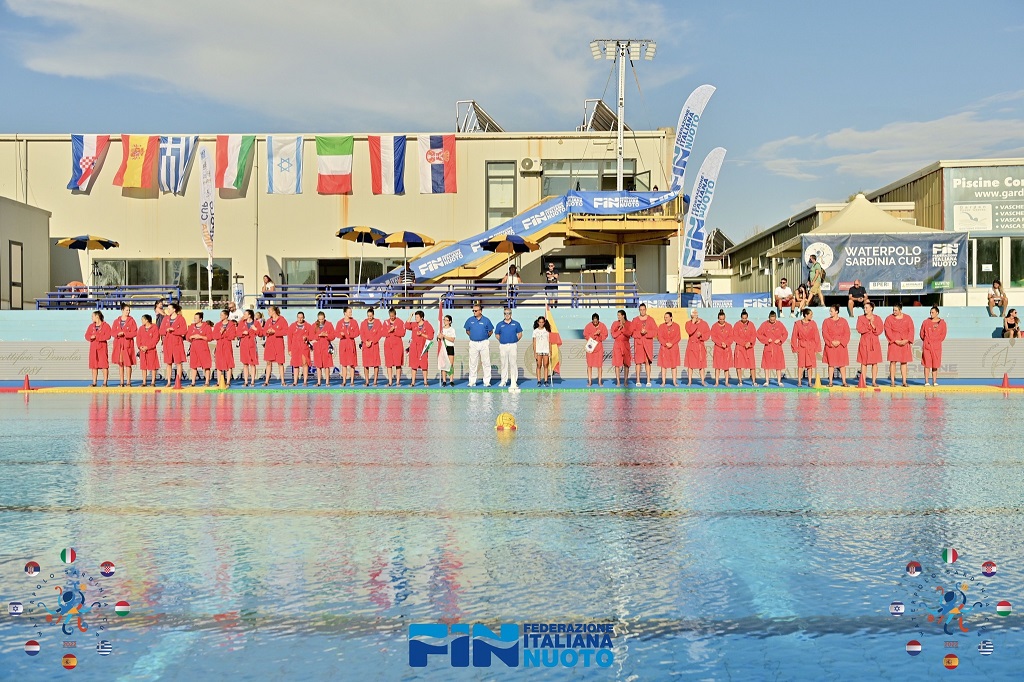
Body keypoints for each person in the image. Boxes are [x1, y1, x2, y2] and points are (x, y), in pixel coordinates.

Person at [884, 303, 915, 387]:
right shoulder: (889, 318)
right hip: (894, 343)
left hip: (905, 342)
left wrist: (907, 340)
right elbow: (887, 330)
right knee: (893, 361)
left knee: (904, 362)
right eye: (893, 310)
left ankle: (904, 381)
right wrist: (895, 340)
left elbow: (911, 329)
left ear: (900, 310)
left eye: (896, 310)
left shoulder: (908, 318)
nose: (894, 312)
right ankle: (892, 381)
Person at [791, 308, 822, 387]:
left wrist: (817, 348)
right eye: (810, 314)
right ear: (805, 315)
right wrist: (795, 348)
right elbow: (794, 336)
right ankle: (799, 381)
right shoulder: (797, 324)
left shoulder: (813, 323)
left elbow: (817, 335)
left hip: (811, 346)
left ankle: (809, 381)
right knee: (800, 364)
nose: (812, 316)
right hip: (801, 346)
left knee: (810, 365)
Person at [464, 305, 494, 387]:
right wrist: (474, 336)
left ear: (480, 311)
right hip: (473, 343)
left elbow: (491, 331)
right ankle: (472, 381)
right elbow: (467, 330)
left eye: (476, 311)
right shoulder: (470, 320)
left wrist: (484, 337)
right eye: (473, 311)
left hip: (484, 342)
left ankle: (487, 381)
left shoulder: (486, 320)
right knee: (472, 363)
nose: (474, 312)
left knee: (486, 362)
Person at [821, 305, 851, 387]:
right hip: (831, 345)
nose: (830, 312)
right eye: (830, 311)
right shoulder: (826, 321)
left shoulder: (843, 321)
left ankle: (844, 382)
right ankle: (830, 382)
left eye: (831, 311)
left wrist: (840, 341)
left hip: (841, 345)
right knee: (831, 364)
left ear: (836, 311)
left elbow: (847, 333)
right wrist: (831, 341)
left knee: (842, 364)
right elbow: (825, 333)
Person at [494, 307, 523, 390]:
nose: (507, 315)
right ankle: (503, 381)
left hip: (513, 345)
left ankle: (514, 381)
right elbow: (497, 334)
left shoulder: (516, 324)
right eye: (505, 313)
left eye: (508, 313)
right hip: (503, 345)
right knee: (504, 363)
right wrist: (502, 340)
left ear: (511, 314)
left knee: (513, 363)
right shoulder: (500, 324)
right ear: (503, 314)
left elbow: (520, 334)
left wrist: (514, 340)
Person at [856, 301, 884, 387]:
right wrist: (868, 325)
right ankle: (863, 381)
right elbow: (859, 329)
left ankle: (874, 381)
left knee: (874, 362)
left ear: (871, 308)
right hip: (864, 342)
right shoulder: (860, 318)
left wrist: (873, 325)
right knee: (863, 362)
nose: (865, 309)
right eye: (864, 308)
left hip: (874, 342)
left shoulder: (877, 318)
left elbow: (880, 330)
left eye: (866, 308)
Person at [757, 310, 788, 387]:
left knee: (778, 365)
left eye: (773, 320)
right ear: (769, 318)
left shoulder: (780, 324)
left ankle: (779, 381)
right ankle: (767, 381)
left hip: (777, 347)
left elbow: (785, 333)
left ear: (776, 318)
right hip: (768, 347)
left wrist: (780, 339)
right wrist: (766, 339)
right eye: (771, 320)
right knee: (767, 365)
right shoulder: (764, 324)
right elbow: (758, 334)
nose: (772, 321)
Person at [405, 310, 435, 387]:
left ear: (421, 317)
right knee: (413, 365)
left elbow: (431, 336)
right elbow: (406, 326)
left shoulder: (427, 325)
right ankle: (413, 382)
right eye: (415, 317)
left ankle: (425, 382)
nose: (416, 318)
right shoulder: (414, 324)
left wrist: (422, 334)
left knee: (424, 365)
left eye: (417, 317)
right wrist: (410, 316)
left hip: (423, 347)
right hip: (414, 348)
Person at [160, 303, 187, 388]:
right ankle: (168, 381)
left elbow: (184, 330)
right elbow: (161, 330)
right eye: (167, 309)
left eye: (169, 309)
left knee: (178, 362)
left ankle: (178, 381)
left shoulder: (181, 318)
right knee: (168, 362)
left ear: (174, 309)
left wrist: (174, 330)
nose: (168, 310)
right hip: (168, 343)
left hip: (177, 343)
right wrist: (166, 330)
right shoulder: (166, 319)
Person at [110, 304, 137, 387]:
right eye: (126, 310)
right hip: (119, 345)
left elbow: (135, 332)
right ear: (122, 310)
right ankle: (121, 382)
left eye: (129, 310)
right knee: (120, 363)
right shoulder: (116, 321)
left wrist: (125, 334)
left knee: (128, 363)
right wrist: (118, 334)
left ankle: (128, 382)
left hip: (127, 344)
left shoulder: (131, 321)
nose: (128, 312)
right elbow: (112, 332)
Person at [631, 303, 658, 387]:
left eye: (643, 309)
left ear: (646, 310)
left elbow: (655, 331)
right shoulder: (635, 320)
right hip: (639, 344)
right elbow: (632, 332)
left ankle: (648, 380)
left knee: (647, 362)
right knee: (638, 362)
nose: (642, 311)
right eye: (641, 310)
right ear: (639, 310)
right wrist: (639, 333)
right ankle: (638, 380)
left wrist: (647, 332)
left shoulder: (651, 320)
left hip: (648, 344)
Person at [920, 306, 947, 386]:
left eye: (933, 312)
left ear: (937, 313)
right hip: (927, 346)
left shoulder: (942, 323)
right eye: (930, 312)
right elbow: (922, 334)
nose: (931, 314)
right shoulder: (926, 322)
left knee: (935, 364)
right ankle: (926, 381)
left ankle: (934, 381)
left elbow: (943, 335)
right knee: (927, 364)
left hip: (936, 346)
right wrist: (926, 341)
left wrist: (936, 341)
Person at [262, 306, 288, 387]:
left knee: (280, 363)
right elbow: (264, 331)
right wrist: (267, 331)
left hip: (278, 344)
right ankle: (266, 381)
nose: (268, 313)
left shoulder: (282, 320)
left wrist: (275, 331)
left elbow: (286, 331)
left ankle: (283, 381)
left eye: (269, 311)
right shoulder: (268, 321)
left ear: (274, 311)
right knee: (268, 362)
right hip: (269, 344)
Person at [85, 310, 112, 387]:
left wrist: (97, 337)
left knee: (104, 365)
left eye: (92, 316)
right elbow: (86, 335)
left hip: (102, 347)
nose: (92, 318)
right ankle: (94, 382)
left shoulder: (106, 326)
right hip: (93, 347)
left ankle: (105, 382)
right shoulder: (91, 326)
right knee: (94, 365)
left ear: (97, 316)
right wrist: (91, 337)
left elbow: (108, 336)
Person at [336, 307, 361, 387]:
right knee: (344, 364)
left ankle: (352, 381)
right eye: (349, 312)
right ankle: (344, 381)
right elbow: (336, 333)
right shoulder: (340, 322)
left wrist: (350, 334)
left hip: (351, 343)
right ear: (345, 313)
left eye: (351, 312)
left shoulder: (354, 322)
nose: (350, 313)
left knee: (352, 363)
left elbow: (357, 332)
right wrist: (341, 334)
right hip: (343, 344)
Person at [732, 309, 757, 386]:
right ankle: (740, 381)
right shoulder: (737, 325)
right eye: (743, 318)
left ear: (747, 317)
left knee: (752, 365)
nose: (744, 320)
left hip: (749, 348)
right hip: (740, 348)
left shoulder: (751, 324)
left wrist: (749, 343)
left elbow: (754, 335)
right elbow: (735, 336)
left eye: (745, 318)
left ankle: (754, 381)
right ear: (741, 317)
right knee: (738, 365)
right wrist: (743, 343)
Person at [187, 312, 213, 387]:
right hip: (194, 348)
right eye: (194, 318)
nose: (194, 319)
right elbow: (188, 336)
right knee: (193, 365)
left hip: (203, 347)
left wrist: (200, 336)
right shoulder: (191, 327)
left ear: (200, 319)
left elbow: (210, 337)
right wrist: (191, 337)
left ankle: (207, 382)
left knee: (206, 365)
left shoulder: (206, 327)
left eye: (196, 318)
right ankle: (193, 382)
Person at [237, 309, 261, 387]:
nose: (244, 315)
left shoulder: (256, 323)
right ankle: (246, 381)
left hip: (252, 345)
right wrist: (242, 333)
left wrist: (255, 329)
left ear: (249, 315)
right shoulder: (242, 323)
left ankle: (253, 381)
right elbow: (237, 333)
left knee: (253, 364)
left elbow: (261, 333)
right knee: (245, 363)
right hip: (244, 345)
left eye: (245, 314)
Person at [709, 309, 733, 387]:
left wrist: (726, 343)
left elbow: (731, 337)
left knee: (726, 367)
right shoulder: (714, 326)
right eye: (720, 319)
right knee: (717, 366)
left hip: (726, 348)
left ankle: (726, 382)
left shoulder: (729, 326)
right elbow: (713, 337)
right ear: (718, 318)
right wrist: (720, 343)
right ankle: (717, 382)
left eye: (723, 319)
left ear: (725, 318)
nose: (721, 321)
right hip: (718, 349)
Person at [583, 313, 608, 387]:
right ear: (592, 321)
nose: (595, 323)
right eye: (594, 322)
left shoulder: (602, 326)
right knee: (589, 365)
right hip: (590, 347)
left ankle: (599, 381)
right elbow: (586, 336)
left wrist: (599, 335)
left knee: (599, 365)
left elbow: (605, 336)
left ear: (598, 320)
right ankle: (590, 381)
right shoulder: (588, 326)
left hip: (599, 347)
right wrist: (594, 334)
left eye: (596, 322)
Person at [212, 309, 236, 386]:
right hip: (219, 345)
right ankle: (219, 381)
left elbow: (232, 336)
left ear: (226, 316)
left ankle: (228, 381)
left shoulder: (231, 324)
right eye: (220, 315)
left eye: (222, 315)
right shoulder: (217, 325)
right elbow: (214, 336)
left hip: (227, 345)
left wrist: (224, 334)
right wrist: (220, 332)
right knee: (219, 363)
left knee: (229, 362)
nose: (220, 316)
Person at [657, 311, 682, 387]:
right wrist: (665, 343)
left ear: (671, 317)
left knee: (674, 365)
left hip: (673, 348)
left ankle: (674, 382)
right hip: (664, 348)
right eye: (664, 317)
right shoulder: (661, 326)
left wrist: (672, 343)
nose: (665, 319)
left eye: (667, 317)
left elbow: (678, 337)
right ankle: (663, 382)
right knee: (663, 365)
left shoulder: (676, 326)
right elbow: (659, 337)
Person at [288, 311, 312, 386]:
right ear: (297, 317)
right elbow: (289, 338)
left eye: (301, 318)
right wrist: (289, 350)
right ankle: (295, 381)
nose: (300, 319)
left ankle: (305, 381)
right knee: (295, 365)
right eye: (298, 317)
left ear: (304, 317)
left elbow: (311, 336)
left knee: (305, 364)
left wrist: (307, 337)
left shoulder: (308, 326)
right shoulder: (292, 326)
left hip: (304, 347)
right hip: (295, 348)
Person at [311, 312, 335, 387]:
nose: (321, 320)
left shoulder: (329, 325)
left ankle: (327, 382)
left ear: (324, 318)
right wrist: (318, 335)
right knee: (318, 366)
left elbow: (333, 336)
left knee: (327, 365)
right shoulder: (314, 325)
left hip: (326, 346)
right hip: (317, 347)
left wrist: (326, 335)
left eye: (322, 319)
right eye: (319, 319)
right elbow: (311, 336)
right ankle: (319, 382)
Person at [360, 308, 383, 387]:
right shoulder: (363, 323)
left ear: (373, 315)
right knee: (366, 364)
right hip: (366, 346)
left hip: (374, 346)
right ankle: (367, 381)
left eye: (371, 316)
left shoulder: (378, 323)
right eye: (368, 316)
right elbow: (362, 334)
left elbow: (380, 334)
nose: (369, 317)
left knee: (376, 364)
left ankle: (375, 381)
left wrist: (372, 341)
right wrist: (365, 341)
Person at [383, 308, 406, 387]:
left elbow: (403, 333)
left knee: (398, 363)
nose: (392, 317)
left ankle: (398, 381)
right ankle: (390, 381)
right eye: (390, 316)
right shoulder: (386, 322)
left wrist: (395, 330)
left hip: (397, 345)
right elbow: (383, 333)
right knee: (389, 364)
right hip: (388, 345)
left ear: (395, 315)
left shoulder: (400, 322)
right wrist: (389, 330)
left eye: (393, 316)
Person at [137, 314, 160, 387]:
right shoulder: (141, 328)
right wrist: (140, 347)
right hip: (142, 351)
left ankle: (153, 382)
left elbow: (156, 339)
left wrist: (148, 347)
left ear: (147, 320)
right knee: (143, 366)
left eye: (143, 320)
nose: (141, 321)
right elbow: (138, 338)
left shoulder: (154, 327)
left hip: (151, 350)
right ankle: (144, 382)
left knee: (153, 366)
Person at [610, 309, 632, 387]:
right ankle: (618, 381)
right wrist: (619, 330)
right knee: (617, 364)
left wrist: (623, 329)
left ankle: (625, 380)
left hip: (625, 344)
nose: (618, 317)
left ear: (623, 316)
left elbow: (629, 334)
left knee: (626, 363)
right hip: (617, 345)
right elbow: (613, 335)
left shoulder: (629, 323)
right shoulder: (615, 323)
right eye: (617, 315)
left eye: (619, 315)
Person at [533, 316, 552, 386]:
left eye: (542, 322)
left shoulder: (547, 331)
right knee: (538, 365)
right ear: (538, 322)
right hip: (538, 350)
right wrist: (535, 352)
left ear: (544, 323)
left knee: (546, 365)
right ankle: (538, 380)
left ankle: (546, 380)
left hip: (546, 350)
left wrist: (550, 351)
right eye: (540, 322)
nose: (541, 324)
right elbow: (534, 342)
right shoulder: (535, 331)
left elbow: (549, 342)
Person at [439, 315, 457, 386]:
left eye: (446, 320)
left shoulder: (452, 329)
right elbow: (438, 338)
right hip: (443, 347)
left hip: (450, 347)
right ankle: (444, 380)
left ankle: (451, 380)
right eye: (444, 320)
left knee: (450, 364)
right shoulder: (441, 329)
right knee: (443, 364)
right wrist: (439, 336)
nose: (444, 321)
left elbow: (452, 339)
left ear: (450, 321)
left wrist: (444, 336)